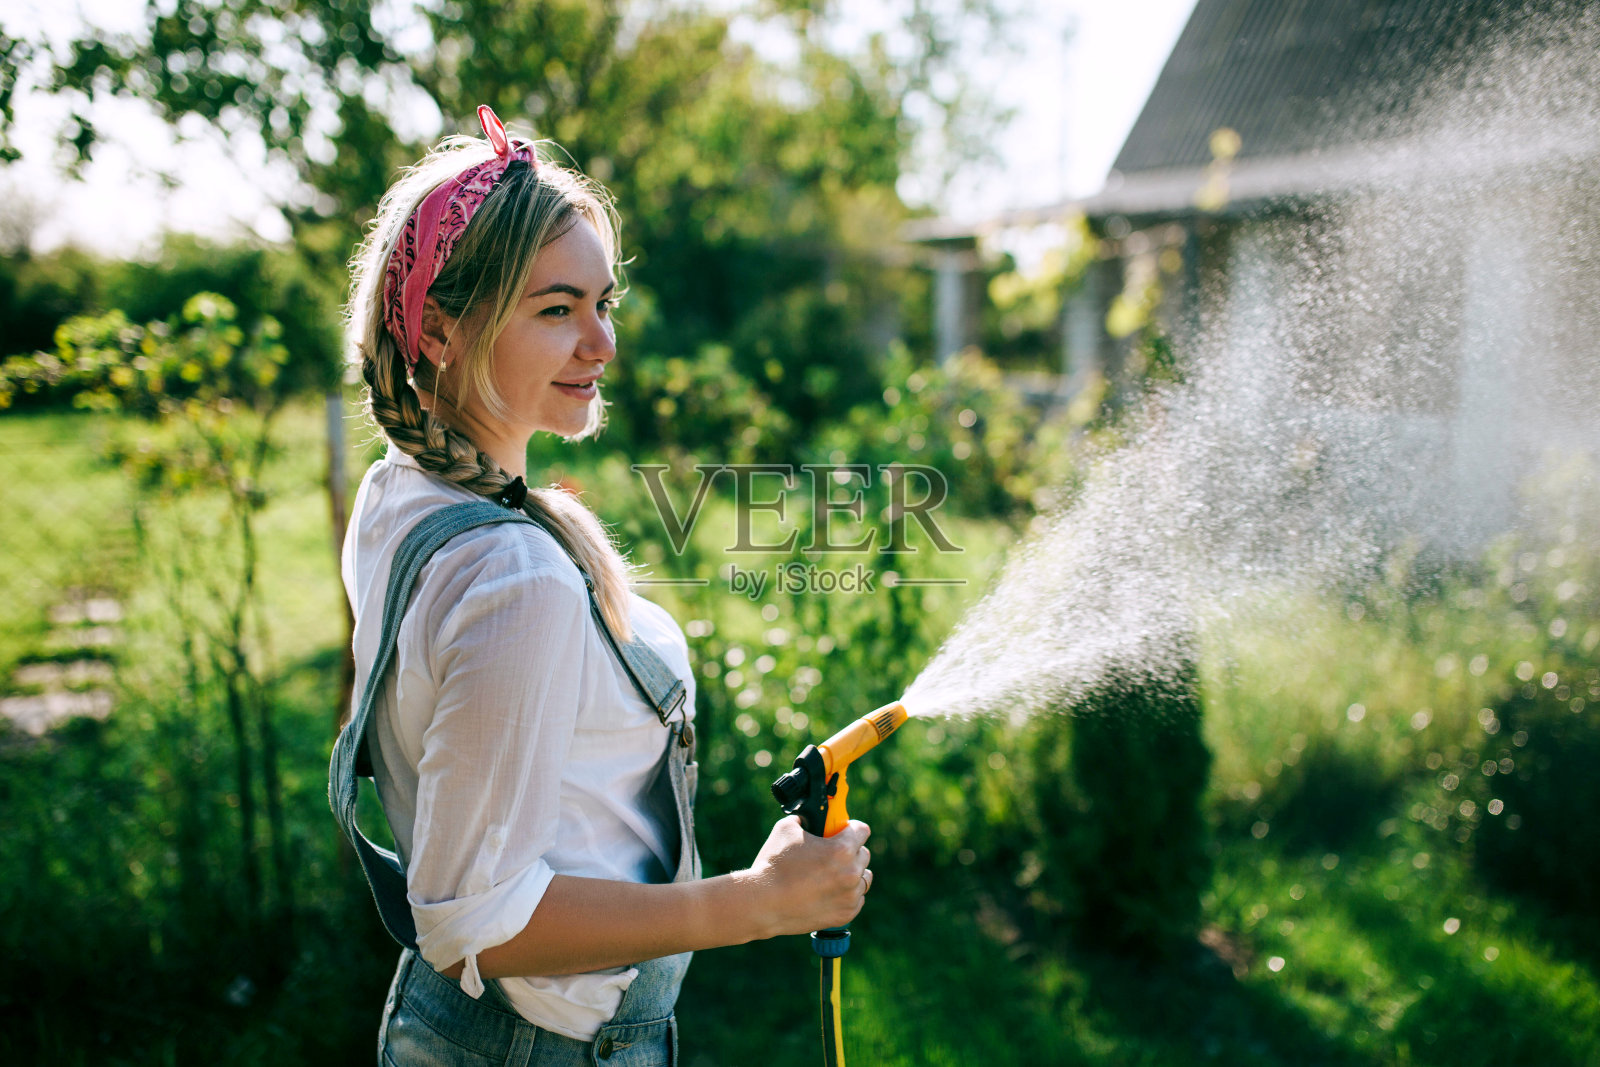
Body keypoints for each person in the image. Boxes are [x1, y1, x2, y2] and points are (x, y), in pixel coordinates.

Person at [335, 106, 873, 1064]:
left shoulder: (401, 490)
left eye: (603, 303)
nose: (602, 344)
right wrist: (762, 903)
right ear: (444, 330)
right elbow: (480, 925)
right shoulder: (516, 576)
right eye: (556, 309)